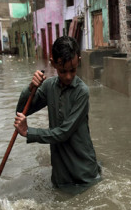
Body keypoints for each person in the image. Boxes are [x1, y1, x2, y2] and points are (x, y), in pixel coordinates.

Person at [14, 36, 101, 193]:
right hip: (60, 173)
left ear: (78, 61)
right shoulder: (48, 86)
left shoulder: (82, 92)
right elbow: (22, 112)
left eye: (72, 70)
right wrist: (30, 87)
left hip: (83, 172)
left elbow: (64, 132)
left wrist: (29, 132)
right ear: (53, 63)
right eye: (62, 71)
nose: (68, 76)